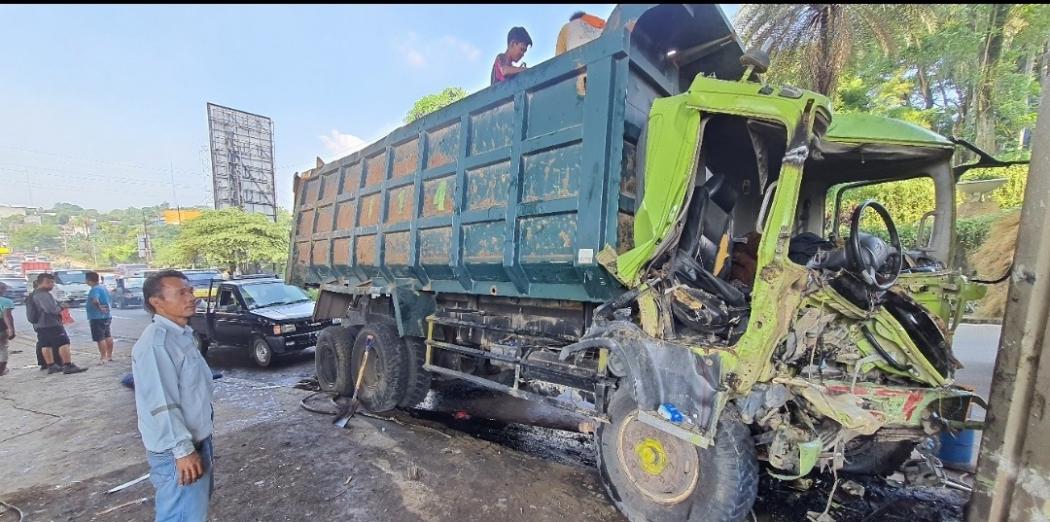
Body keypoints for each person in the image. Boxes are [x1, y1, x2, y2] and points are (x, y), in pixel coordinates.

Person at [132, 269, 214, 521]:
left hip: (196, 441)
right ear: (156, 302)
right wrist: (182, 451)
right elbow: (161, 404)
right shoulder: (157, 345)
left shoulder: (180, 335)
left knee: (192, 512)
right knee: (180, 515)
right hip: (177, 449)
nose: (191, 297)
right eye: (181, 293)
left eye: (190, 290)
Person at [28, 273, 87, 375]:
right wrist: (61, 307)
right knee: (63, 342)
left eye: (52, 283)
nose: (51, 285)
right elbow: (51, 309)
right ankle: (68, 365)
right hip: (51, 324)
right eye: (48, 282)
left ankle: (51, 365)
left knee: (46, 344)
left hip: (39, 325)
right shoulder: (43, 294)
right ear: (40, 283)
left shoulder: (33, 294)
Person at [86, 271, 114, 363]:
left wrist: (99, 308)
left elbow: (95, 300)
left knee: (100, 338)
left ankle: (103, 357)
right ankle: (109, 355)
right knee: (108, 335)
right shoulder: (104, 288)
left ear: (88, 280)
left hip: (97, 317)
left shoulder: (95, 289)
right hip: (107, 316)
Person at [0, 282, 15, 376]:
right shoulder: (6, 301)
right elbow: (7, 317)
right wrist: (11, 330)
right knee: (3, 347)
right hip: (1, 327)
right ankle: (1, 370)